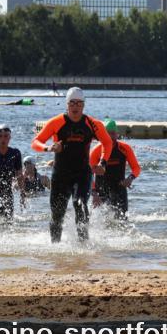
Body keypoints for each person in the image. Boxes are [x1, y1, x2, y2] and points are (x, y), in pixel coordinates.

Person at [32, 87, 114, 242]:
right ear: (67, 104)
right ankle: (55, 246)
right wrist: (49, 148)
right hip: (60, 174)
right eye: (72, 103)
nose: (75, 107)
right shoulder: (56, 122)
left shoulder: (92, 123)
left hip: (82, 174)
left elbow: (107, 143)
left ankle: (84, 245)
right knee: (57, 213)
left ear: (83, 105)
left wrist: (103, 162)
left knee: (80, 205)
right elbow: (36, 142)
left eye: (79, 103)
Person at [90, 119, 140, 219]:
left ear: (117, 134)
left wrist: (130, 178)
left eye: (112, 133)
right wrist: (94, 193)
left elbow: (136, 168)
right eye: (107, 134)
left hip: (120, 187)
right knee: (101, 221)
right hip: (101, 190)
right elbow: (88, 174)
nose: (110, 137)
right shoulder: (96, 151)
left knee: (122, 220)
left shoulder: (125, 148)